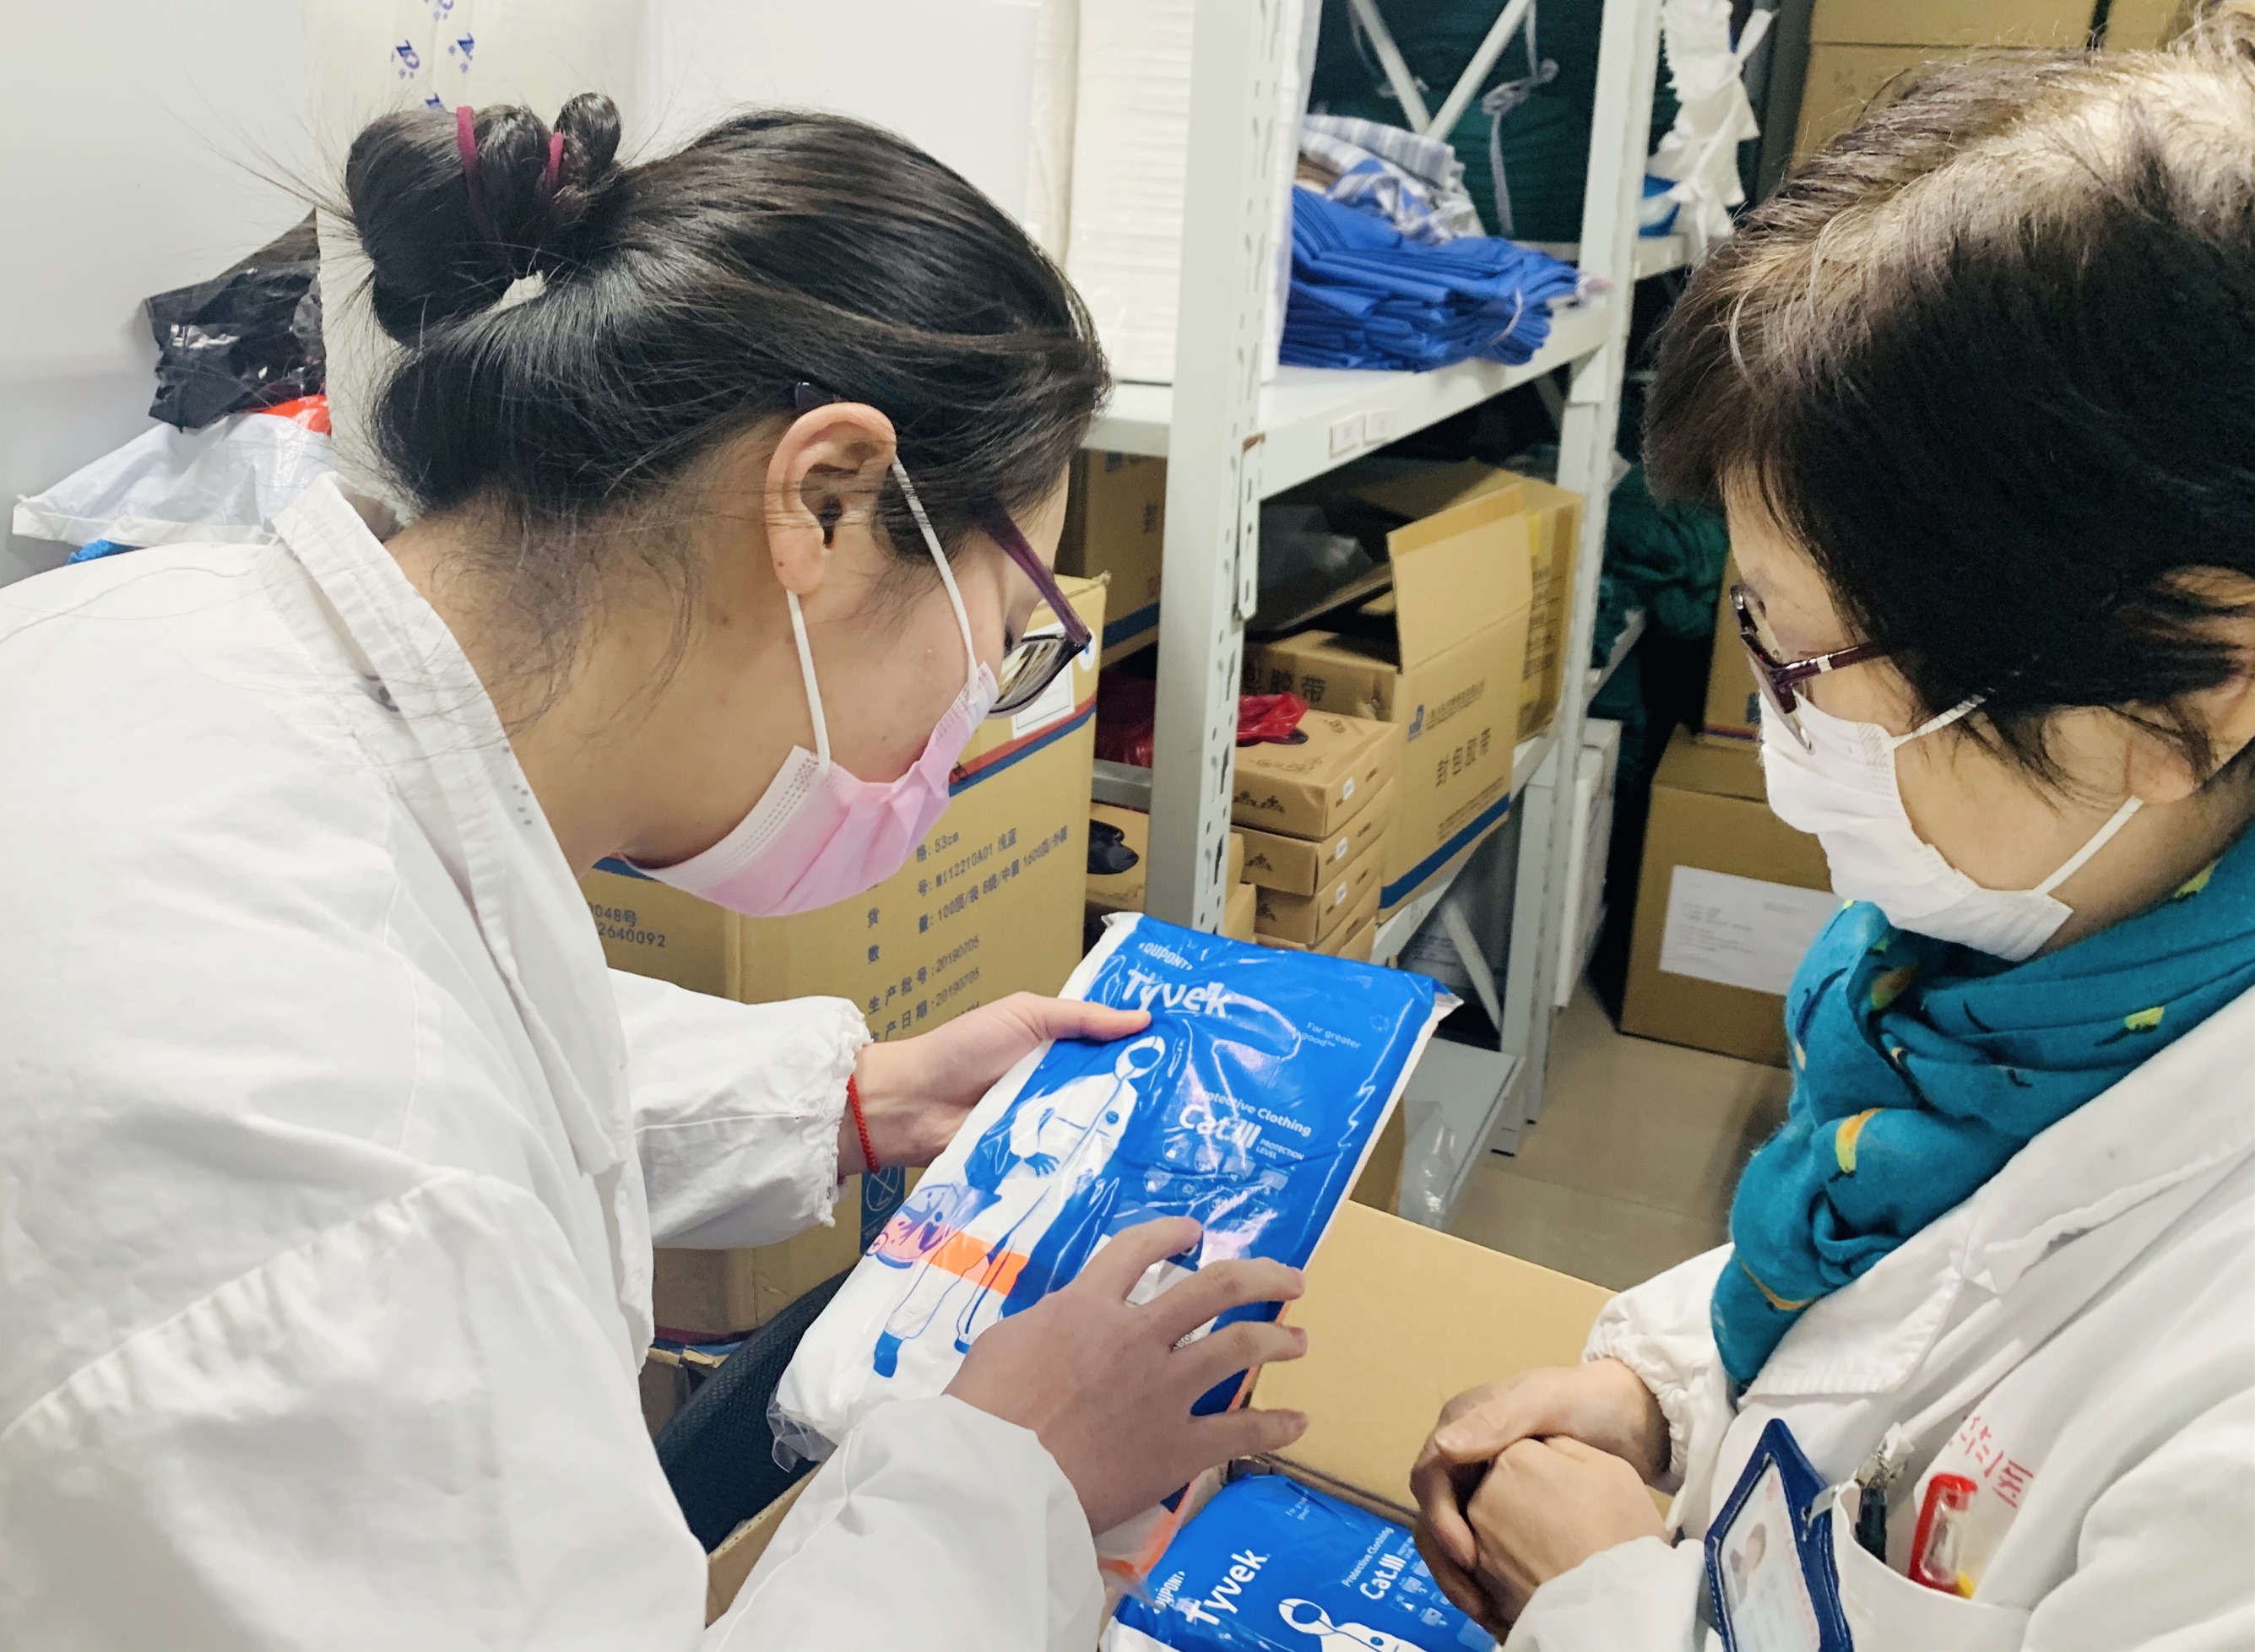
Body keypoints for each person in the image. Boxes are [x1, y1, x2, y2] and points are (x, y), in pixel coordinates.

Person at [0, 99, 1312, 1647]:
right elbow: (392, 1142)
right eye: (1006, 641)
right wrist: (1014, 1472)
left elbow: (464, 1019)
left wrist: (852, 1094)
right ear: (825, 501)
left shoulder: (162, 630)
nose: (971, 725)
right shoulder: (371, 1219)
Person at [1409, 12, 2255, 1649]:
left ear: (2189, 693)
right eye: (1751, 630)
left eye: (1804, 661)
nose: (1778, 732)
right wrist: (1666, 1389)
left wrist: (1608, 1605)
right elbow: (1895, 1314)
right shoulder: (2029, 966)